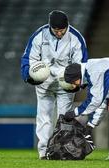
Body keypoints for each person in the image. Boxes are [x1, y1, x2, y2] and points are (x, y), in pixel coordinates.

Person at [20, 10, 88, 159]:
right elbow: (28, 58)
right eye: (56, 30)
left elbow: (81, 63)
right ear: (50, 27)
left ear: (67, 26)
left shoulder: (76, 38)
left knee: (64, 118)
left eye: (62, 30)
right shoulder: (39, 35)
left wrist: (78, 83)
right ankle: (44, 152)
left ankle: (63, 150)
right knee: (44, 117)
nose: (59, 33)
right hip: (44, 82)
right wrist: (29, 77)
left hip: (66, 83)